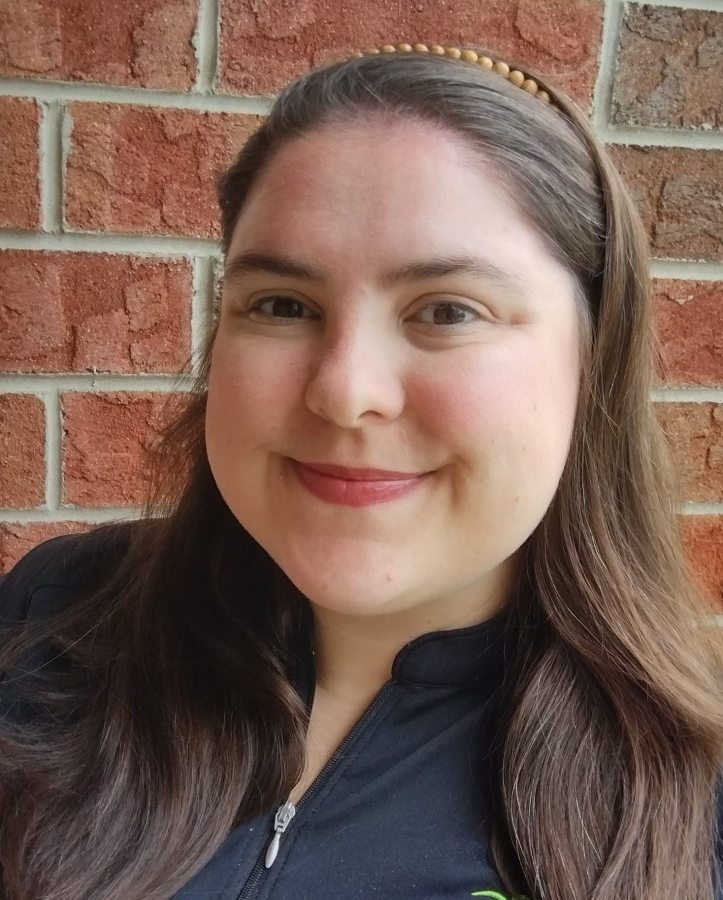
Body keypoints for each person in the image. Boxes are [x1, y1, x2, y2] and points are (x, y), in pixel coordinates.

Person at [0, 42, 721, 900]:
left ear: (592, 360)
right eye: (283, 305)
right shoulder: (59, 612)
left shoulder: (694, 794)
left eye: (447, 311)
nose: (344, 392)